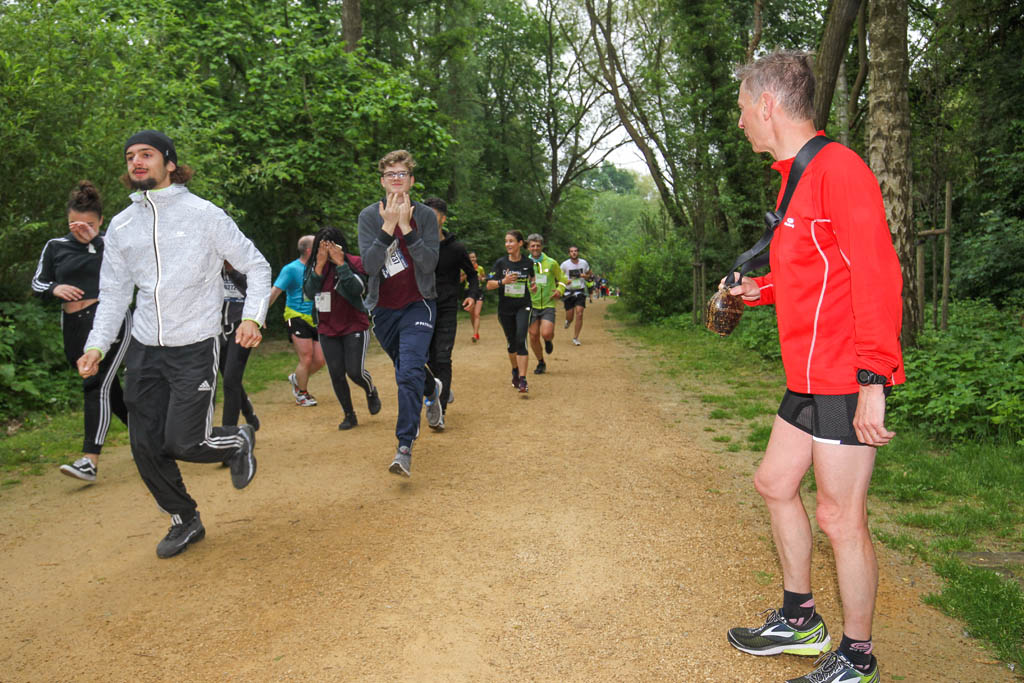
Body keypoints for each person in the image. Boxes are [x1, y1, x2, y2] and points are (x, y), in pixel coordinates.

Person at [724, 50, 904, 683]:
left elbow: (877, 276)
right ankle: (800, 619)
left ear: (767, 104)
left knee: (839, 516)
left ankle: (857, 656)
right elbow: (814, 273)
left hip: (843, 377)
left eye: (742, 107)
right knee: (775, 484)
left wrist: (874, 379)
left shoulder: (840, 170)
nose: (740, 119)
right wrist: (760, 290)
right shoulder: (795, 177)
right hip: (806, 375)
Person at [77, 130, 271, 559]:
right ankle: (184, 518)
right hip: (145, 348)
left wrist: (253, 316)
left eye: (146, 154)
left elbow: (256, 266)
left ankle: (237, 439)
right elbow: (114, 294)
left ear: (169, 163)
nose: (136, 161)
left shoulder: (204, 214)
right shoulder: (122, 225)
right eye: (130, 156)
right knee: (145, 445)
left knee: (184, 442)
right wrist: (96, 346)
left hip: (194, 345)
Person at [31, 181, 132, 483]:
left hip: (109, 320)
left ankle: (89, 460)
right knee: (110, 392)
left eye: (89, 224)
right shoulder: (55, 246)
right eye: (75, 224)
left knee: (96, 386)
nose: (81, 229)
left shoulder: (110, 244)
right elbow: (38, 283)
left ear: (100, 221)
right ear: (67, 220)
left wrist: (96, 242)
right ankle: (152, 437)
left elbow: (127, 274)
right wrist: (54, 288)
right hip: (74, 325)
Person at [357, 150, 439, 477]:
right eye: (390, 174)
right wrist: (388, 227)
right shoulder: (369, 217)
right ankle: (431, 389)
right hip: (384, 310)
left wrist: (407, 228)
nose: (396, 179)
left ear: (411, 180)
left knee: (407, 374)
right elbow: (370, 266)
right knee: (408, 369)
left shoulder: (426, 216)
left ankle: (404, 446)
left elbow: (429, 264)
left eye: (402, 174)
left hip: (420, 303)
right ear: (382, 181)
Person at [301, 226, 381, 430]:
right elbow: (308, 294)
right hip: (327, 328)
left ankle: (370, 390)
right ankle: (349, 415)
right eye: (322, 247)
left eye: (331, 246)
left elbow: (358, 289)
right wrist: (319, 266)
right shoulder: (315, 266)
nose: (327, 251)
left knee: (354, 372)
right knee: (336, 374)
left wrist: (341, 264)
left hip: (354, 325)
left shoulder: (353, 262)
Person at [420, 197, 479, 430]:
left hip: (446, 308)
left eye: (432, 215)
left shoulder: (456, 249)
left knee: (442, 357)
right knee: (424, 358)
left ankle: (439, 409)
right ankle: (441, 386)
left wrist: (471, 295)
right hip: (421, 308)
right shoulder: (416, 246)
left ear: (443, 219)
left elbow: (472, 275)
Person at [268, 235, 324, 406]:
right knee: (306, 357)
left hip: (316, 317)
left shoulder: (320, 267)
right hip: (296, 315)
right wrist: (259, 316)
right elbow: (275, 291)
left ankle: (297, 378)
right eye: (318, 246)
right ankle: (302, 394)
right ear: (309, 250)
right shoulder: (291, 269)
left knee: (320, 359)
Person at [486, 230, 534, 393]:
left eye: (511, 241)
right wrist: (503, 281)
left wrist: (533, 285)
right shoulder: (501, 263)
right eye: (506, 241)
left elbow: (532, 279)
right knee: (512, 343)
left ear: (520, 243)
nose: (508, 244)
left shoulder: (528, 263)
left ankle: (523, 379)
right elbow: (488, 285)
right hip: (505, 309)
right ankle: (515, 370)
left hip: (523, 306)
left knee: (521, 338)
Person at [219, 263, 259, 430]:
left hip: (240, 326)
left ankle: (229, 433)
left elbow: (255, 288)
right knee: (229, 378)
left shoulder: (244, 255)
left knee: (230, 380)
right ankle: (248, 410)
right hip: (214, 328)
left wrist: (231, 270)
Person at [525, 234, 566, 374]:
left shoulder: (551, 263)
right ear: (528, 247)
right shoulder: (524, 263)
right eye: (532, 246)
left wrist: (559, 290)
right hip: (531, 304)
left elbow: (562, 279)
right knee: (533, 335)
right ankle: (541, 362)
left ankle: (548, 341)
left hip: (548, 303)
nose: (535, 248)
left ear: (542, 246)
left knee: (546, 333)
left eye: (538, 245)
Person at [560, 246, 592, 345]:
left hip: (580, 291)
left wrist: (585, 276)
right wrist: (565, 281)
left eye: (575, 251)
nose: (574, 253)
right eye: (571, 251)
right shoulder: (564, 265)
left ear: (578, 252)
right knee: (570, 316)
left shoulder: (584, 263)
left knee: (579, 313)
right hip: (568, 292)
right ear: (569, 253)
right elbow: (558, 277)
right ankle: (568, 321)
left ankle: (575, 337)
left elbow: (590, 275)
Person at [463, 251, 486, 342]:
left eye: (474, 257)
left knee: (476, 314)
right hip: (468, 292)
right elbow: (460, 280)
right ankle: (475, 332)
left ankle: (475, 334)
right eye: (471, 257)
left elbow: (484, 278)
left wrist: (481, 278)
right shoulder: (464, 268)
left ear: (476, 258)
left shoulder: (480, 268)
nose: (472, 259)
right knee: (472, 314)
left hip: (478, 291)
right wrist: (465, 275)